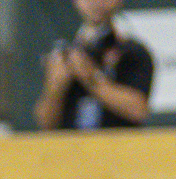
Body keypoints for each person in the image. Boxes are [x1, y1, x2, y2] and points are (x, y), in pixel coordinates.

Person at [35, 0, 152, 130]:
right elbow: (44, 123)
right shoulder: (64, 54)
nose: (96, 3)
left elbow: (138, 111)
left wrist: (91, 77)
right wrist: (55, 87)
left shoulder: (131, 52)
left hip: (116, 145)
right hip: (70, 147)